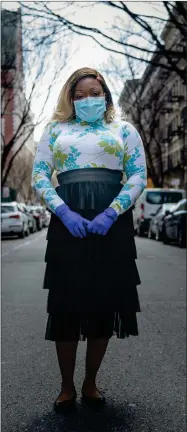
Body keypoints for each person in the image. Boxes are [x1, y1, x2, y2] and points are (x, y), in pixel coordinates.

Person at [32, 67, 147, 412]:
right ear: (70, 99)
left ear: (106, 95)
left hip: (112, 227)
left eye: (94, 93)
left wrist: (113, 211)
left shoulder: (124, 130)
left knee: (104, 305)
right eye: (79, 95)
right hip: (68, 226)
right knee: (66, 306)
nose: (87, 100)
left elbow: (138, 174)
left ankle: (90, 382)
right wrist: (62, 211)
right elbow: (39, 174)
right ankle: (66, 386)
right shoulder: (54, 130)